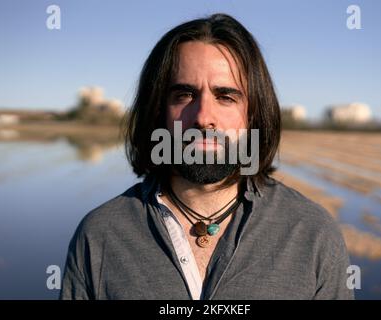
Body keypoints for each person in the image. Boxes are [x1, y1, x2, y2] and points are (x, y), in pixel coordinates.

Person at [60, 13, 354, 300]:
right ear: (158, 111)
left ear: (253, 114)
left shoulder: (312, 233)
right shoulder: (99, 234)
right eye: (184, 95)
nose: (203, 117)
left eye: (225, 96)